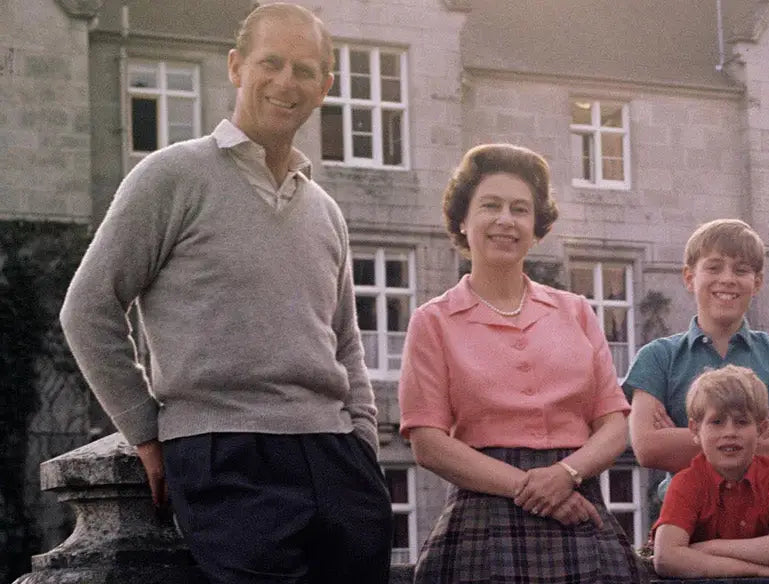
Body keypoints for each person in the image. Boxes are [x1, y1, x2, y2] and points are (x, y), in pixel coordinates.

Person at [60, 4, 391, 581]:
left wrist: (362, 440)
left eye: (304, 69)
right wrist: (145, 431)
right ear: (237, 67)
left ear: (325, 87)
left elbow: (345, 343)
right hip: (225, 453)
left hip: (337, 459)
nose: (287, 81)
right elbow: (88, 308)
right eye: (272, 62)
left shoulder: (325, 210)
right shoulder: (172, 176)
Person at [398, 143, 645, 582]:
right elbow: (428, 442)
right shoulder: (432, 321)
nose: (505, 220)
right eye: (490, 206)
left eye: (520, 209)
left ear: (536, 227)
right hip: (485, 514)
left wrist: (566, 473)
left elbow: (613, 426)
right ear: (462, 219)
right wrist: (532, 487)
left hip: (580, 502)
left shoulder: (576, 311)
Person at [624, 219, 769, 475]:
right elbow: (648, 447)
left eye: (740, 270)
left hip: (763, 512)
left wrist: (688, 438)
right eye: (714, 268)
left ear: (757, 282)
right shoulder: (657, 357)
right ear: (689, 278)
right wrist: (756, 440)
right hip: (686, 513)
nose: (727, 279)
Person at [650, 365, 769, 579]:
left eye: (742, 422)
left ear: (761, 430)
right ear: (695, 430)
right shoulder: (686, 483)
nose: (729, 433)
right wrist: (757, 570)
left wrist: (705, 549)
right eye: (716, 422)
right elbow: (666, 558)